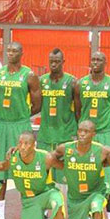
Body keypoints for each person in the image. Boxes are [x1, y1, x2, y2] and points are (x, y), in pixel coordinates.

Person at [0, 131, 66, 219]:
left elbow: (64, 166)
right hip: (29, 200)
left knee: (57, 203)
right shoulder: (14, 158)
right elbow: (3, 166)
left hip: (47, 193)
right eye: (20, 143)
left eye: (27, 143)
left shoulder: (45, 158)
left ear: (34, 145)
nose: (23, 146)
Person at [0, 42, 41, 219]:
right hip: (1, 125)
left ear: (22, 53)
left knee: (23, 173)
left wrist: (21, 117)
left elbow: (37, 104)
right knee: (0, 174)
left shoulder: (29, 75)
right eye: (8, 50)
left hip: (20, 125)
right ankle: (0, 217)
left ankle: (30, 216)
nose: (11, 53)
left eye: (14, 51)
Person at [74, 51, 110, 219]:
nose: (96, 62)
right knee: (87, 177)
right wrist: (85, 132)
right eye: (93, 59)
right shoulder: (80, 84)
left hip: (104, 134)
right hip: (86, 136)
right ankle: (86, 218)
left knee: (109, 181)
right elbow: (78, 111)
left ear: (105, 62)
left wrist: (109, 129)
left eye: (99, 60)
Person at [52, 120, 110, 219]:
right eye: (80, 130)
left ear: (94, 134)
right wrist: (63, 166)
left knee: (96, 208)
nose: (82, 134)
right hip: (76, 197)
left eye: (86, 131)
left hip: (96, 193)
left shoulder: (102, 150)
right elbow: (48, 158)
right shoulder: (66, 149)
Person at [38, 48, 77, 185]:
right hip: (46, 134)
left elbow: (79, 109)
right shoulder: (41, 81)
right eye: (51, 62)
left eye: (57, 62)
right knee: (43, 176)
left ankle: (65, 206)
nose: (54, 65)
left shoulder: (72, 82)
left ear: (63, 62)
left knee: (65, 177)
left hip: (65, 134)